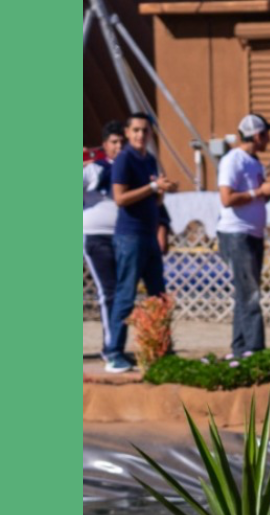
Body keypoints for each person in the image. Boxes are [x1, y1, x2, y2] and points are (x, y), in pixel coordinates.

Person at [110, 112, 177, 373]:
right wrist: (151, 189)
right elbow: (120, 198)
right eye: (136, 130)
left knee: (158, 295)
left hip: (148, 234)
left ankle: (160, 349)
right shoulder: (124, 159)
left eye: (145, 131)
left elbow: (152, 200)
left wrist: (160, 192)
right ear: (127, 133)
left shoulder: (149, 159)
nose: (141, 135)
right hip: (130, 235)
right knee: (126, 294)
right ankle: (114, 352)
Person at [218, 114, 270, 357]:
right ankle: (254, 349)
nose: (269, 138)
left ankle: (240, 348)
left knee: (245, 293)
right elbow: (226, 199)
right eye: (267, 133)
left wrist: (269, 192)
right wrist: (259, 191)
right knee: (250, 294)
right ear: (257, 136)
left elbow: (254, 195)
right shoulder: (233, 160)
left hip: (251, 233)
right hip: (237, 234)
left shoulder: (254, 161)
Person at [84, 120, 125, 370]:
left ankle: (114, 345)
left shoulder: (131, 168)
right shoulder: (92, 170)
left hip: (123, 236)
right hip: (96, 235)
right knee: (108, 291)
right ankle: (112, 349)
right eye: (114, 142)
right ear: (105, 145)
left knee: (122, 292)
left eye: (122, 141)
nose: (118, 146)